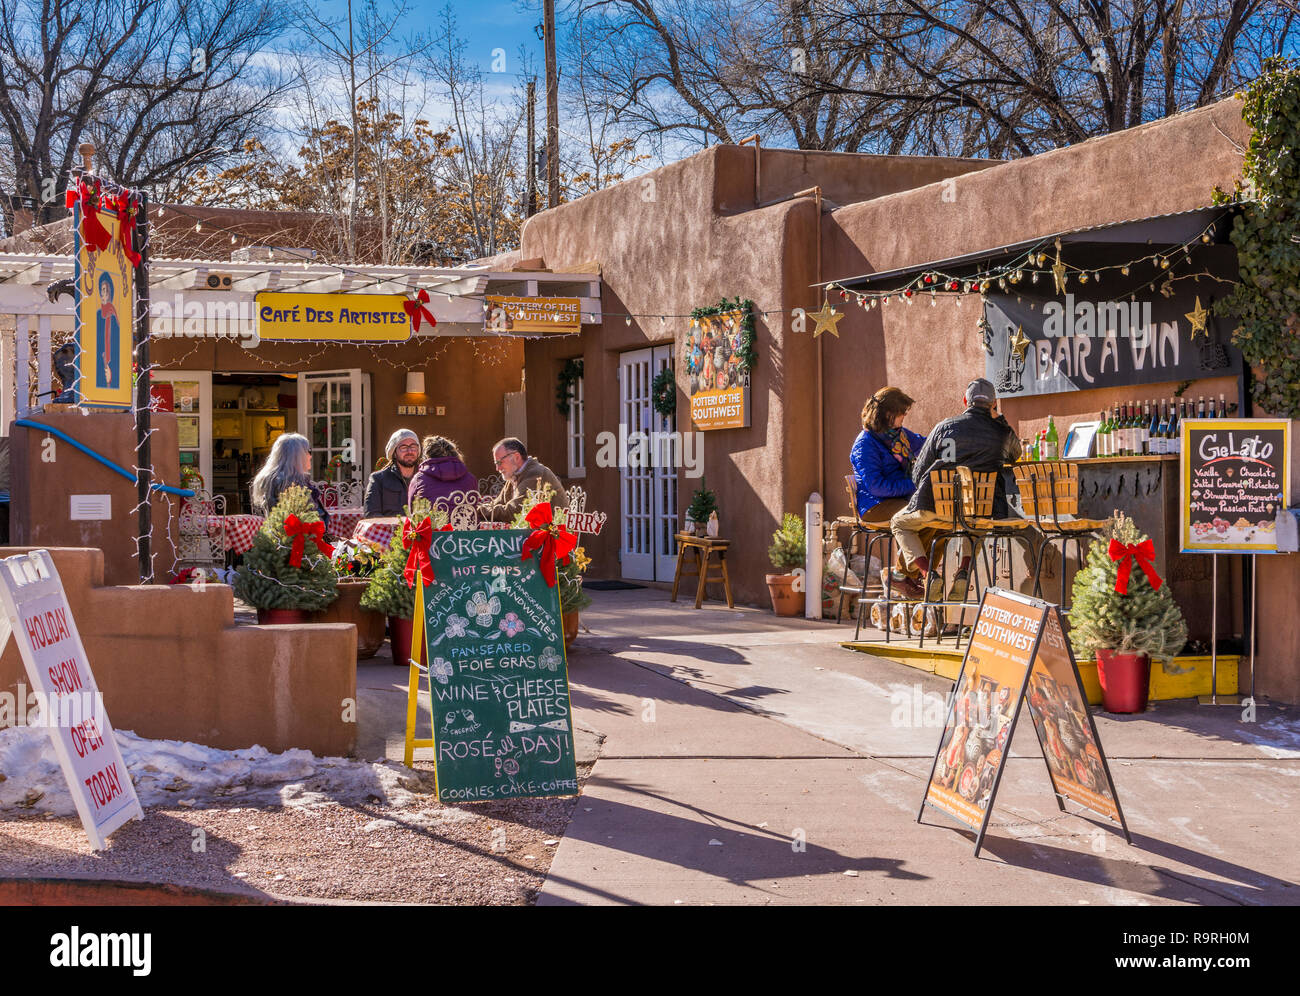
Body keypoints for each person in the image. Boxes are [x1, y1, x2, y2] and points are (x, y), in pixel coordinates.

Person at [890, 377, 1021, 602]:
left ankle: (927, 573)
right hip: (976, 509)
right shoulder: (1001, 433)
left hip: (935, 506)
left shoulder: (944, 426)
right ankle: (964, 570)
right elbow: (1015, 454)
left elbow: (918, 471)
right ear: (993, 404)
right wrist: (1000, 420)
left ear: (965, 401)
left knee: (898, 523)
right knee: (977, 521)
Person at [851, 387, 930, 593]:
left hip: (901, 500)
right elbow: (876, 487)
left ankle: (902, 575)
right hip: (875, 506)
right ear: (887, 414)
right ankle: (911, 575)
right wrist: (914, 484)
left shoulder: (899, 435)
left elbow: (927, 444)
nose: (905, 415)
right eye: (902, 412)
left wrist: (945, 442)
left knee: (932, 515)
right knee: (917, 516)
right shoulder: (865, 444)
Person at [249, 432, 329, 525]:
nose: (310, 456)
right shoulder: (293, 482)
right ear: (297, 455)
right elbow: (310, 519)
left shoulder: (272, 479)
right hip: (299, 537)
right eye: (308, 451)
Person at [481, 437, 567, 522]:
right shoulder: (514, 475)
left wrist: (479, 511)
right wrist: (479, 508)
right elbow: (496, 504)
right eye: (496, 463)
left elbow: (514, 512)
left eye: (499, 462)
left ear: (517, 457)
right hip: (533, 531)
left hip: (554, 533)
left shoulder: (535, 474)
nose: (497, 468)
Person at [408, 435, 478, 510]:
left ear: (427, 456)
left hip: (433, 521)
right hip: (464, 521)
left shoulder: (419, 479)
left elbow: (411, 511)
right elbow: (474, 506)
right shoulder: (471, 479)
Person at [364, 428, 420, 517]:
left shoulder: (425, 478)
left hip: (421, 530)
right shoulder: (378, 479)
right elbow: (372, 514)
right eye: (404, 447)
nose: (409, 451)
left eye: (413, 447)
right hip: (390, 530)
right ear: (394, 453)